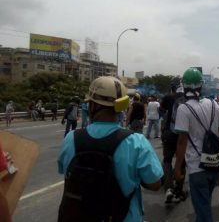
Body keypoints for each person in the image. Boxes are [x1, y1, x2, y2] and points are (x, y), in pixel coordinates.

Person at [57, 76, 163, 222]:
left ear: (92, 106)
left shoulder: (71, 138)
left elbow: (65, 171)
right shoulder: (136, 141)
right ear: (121, 106)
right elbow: (155, 184)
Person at [173, 67, 219, 222]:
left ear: (184, 86)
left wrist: (177, 167)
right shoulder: (214, 104)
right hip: (215, 164)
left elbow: (182, 141)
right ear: (201, 85)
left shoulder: (184, 109)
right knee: (203, 205)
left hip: (197, 167)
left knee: (203, 209)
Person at [160, 77, 187, 203]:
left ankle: (168, 189)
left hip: (168, 133)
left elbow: (161, 111)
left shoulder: (167, 98)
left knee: (167, 160)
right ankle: (179, 189)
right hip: (182, 134)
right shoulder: (186, 99)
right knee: (181, 161)